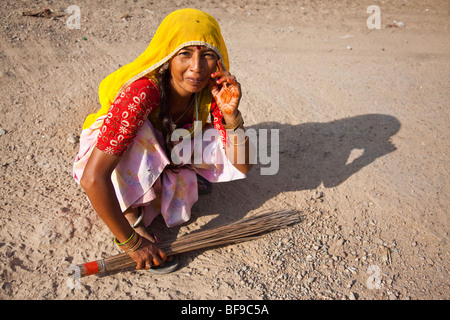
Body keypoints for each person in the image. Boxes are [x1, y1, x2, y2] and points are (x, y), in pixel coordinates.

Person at [73, 8, 254, 273]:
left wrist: (231, 114)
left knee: (212, 134)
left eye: (207, 56)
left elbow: (244, 166)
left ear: (219, 62)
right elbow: (93, 178)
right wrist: (132, 243)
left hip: (163, 148)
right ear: (168, 58)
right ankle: (131, 216)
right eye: (185, 54)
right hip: (124, 150)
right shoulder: (143, 92)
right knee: (142, 135)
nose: (197, 67)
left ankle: (165, 176)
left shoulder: (210, 94)